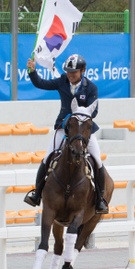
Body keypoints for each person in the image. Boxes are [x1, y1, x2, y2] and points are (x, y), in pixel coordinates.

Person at [24, 54, 108, 214]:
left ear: (83, 70)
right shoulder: (62, 80)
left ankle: (100, 199)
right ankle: (36, 194)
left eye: (74, 72)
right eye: (68, 71)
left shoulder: (91, 88)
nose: (70, 75)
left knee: (97, 161)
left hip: (83, 131)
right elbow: (41, 83)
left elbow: (94, 110)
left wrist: (79, 117)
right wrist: (32, 71)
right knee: (47, 157)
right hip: (63, 127)